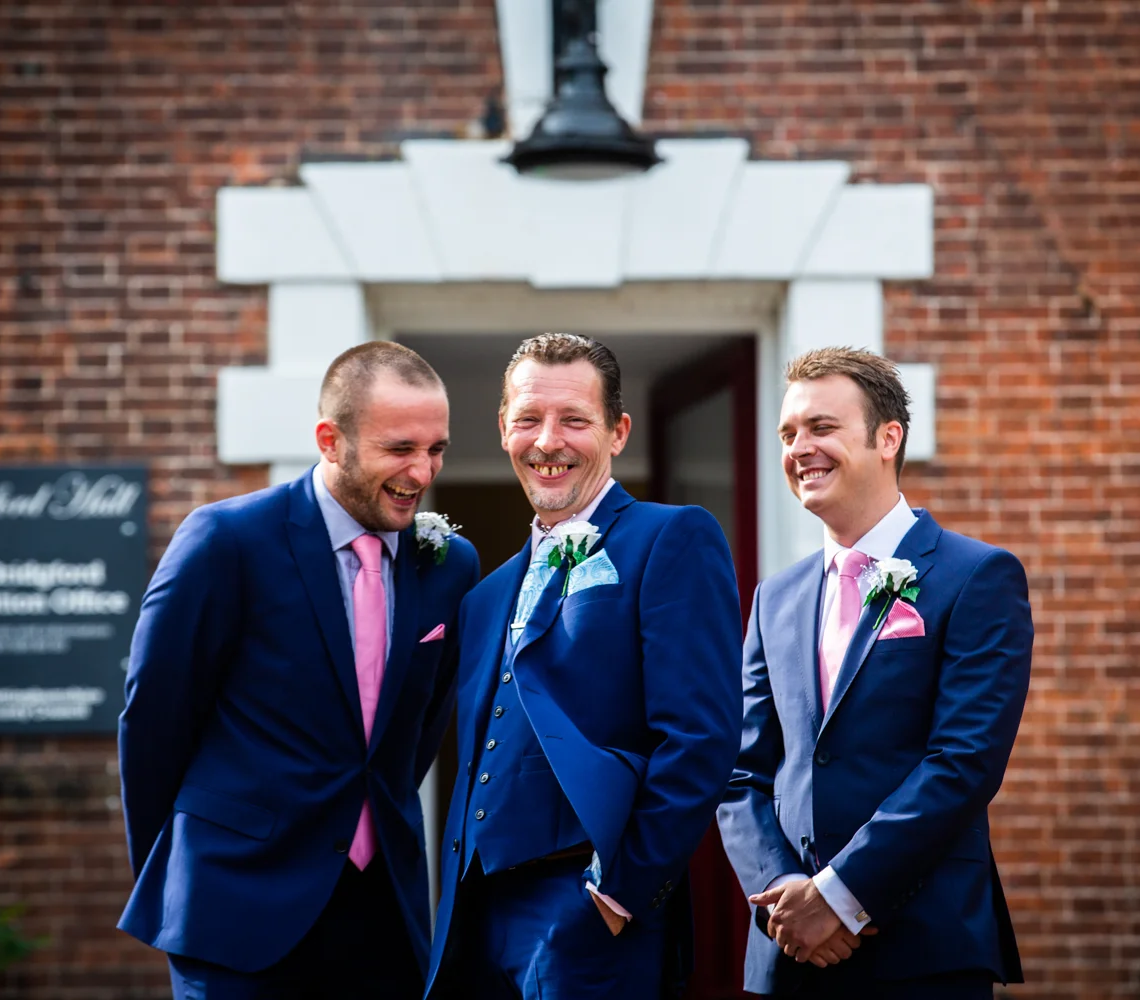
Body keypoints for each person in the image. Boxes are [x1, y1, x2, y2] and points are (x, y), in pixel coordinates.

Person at [117, 341, 479, 1000]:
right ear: (330, 441)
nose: (422, 471)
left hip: (384, 912)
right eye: (400, 448)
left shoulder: (450, 565)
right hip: (236, 905)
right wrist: (175, 876)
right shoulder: (226, 540)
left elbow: (417, 736)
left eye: (436, 449)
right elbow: (154, 723)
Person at [424, 333, 743, 999]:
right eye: (528, 419)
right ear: (504, 429)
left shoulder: (669, 537)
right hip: (473, 920)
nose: (548, 441)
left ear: (617, 431)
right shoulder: (484, 595)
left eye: (574, 419)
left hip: (590, 915)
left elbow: (701, 737)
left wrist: (620, 892)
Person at [717, 347, 1032, 998]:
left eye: (821, 427)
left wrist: (840, 895)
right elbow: (741, 772)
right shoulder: (774, 599)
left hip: (920, 945)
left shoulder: (976, 577)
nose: (799, 448)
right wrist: (787, 894)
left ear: (888, 438)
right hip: (789, 953)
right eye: (788, 434)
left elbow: (964, 761)